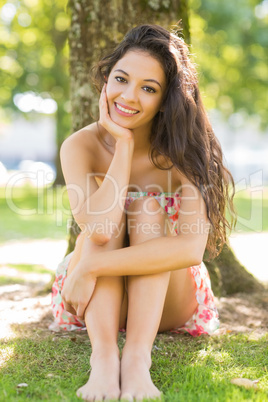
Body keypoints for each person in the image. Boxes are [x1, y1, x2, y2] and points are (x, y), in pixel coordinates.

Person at [51, 24, 235, 401]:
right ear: (106, 80)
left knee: (148, 206)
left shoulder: (187, 153)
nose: (129, 96)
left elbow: (188, 251)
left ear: (165, 100)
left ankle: (137, 360)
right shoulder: (80, 146)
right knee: (111, 214)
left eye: (148, 88)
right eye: (121, 79)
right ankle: (103, 360)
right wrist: (122, 145)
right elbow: (100, 231)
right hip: (94, 302)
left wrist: (88, 267)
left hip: (167, 300)